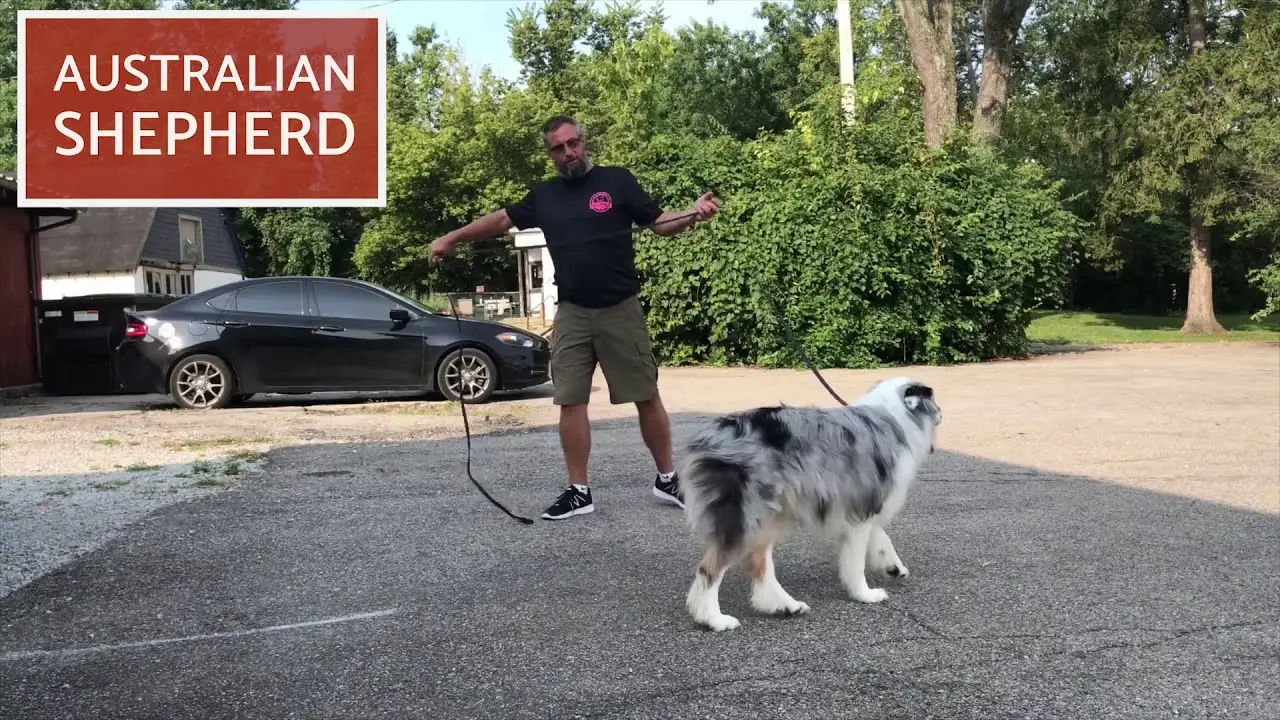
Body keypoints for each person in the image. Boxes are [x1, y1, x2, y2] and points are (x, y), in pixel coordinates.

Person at [428, 114, 720, 521]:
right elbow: (501, 220)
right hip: (572, 314)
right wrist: (453, 238)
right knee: (570, 401)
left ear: (585, 142)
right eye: (558, 148)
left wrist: (692, 212)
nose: (568, 152)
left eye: (573, 143)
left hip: (621, 308)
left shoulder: (617, 181)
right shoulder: (544, 196)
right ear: (550, 154)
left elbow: (658, 223)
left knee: (646, 395)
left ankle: (667, 479)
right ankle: (579, 491)